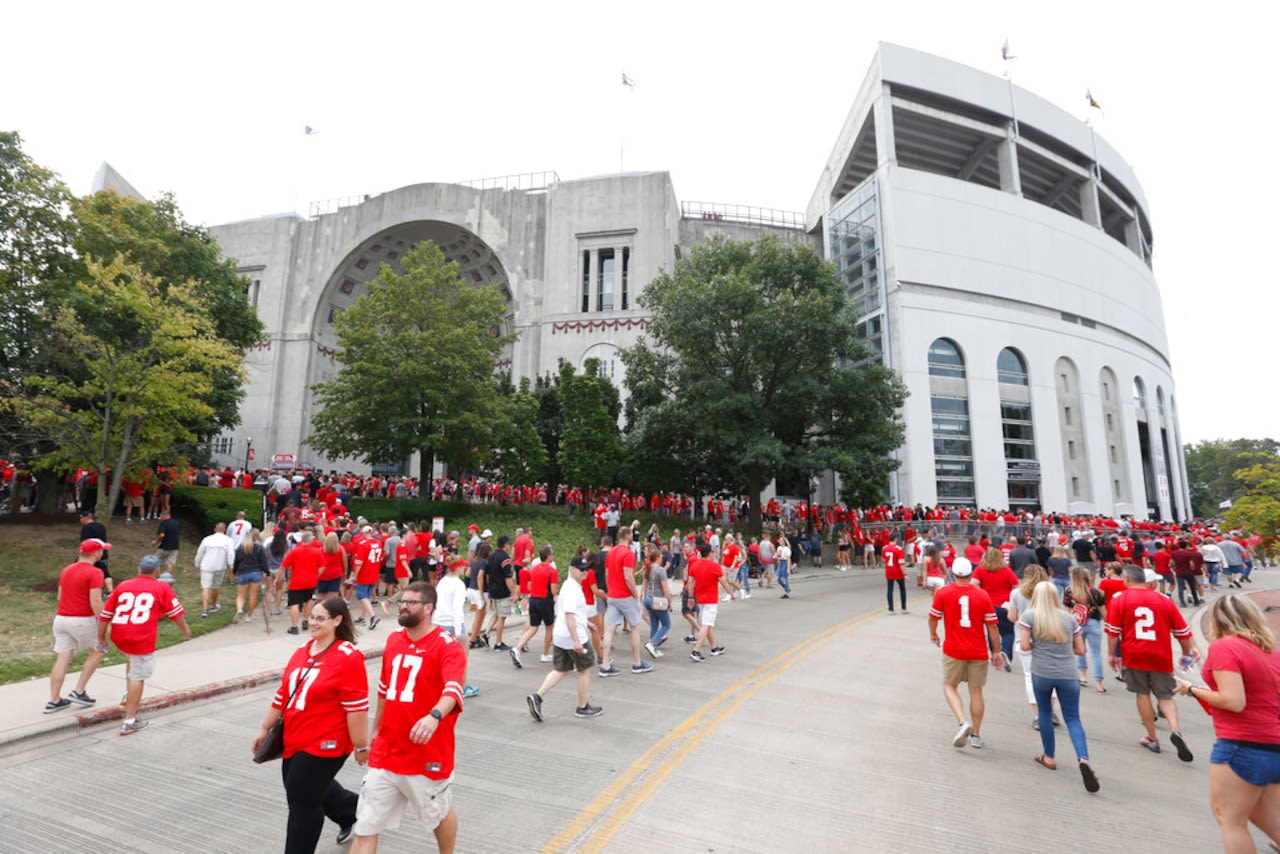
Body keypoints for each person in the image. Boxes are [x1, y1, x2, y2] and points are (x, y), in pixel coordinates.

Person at [350, 582, 465, 854]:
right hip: (387, 751)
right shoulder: (394, 640)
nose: (403, 606)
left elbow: (453, 689)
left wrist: (434, 716)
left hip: (427, 754)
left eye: (411, 602)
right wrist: (375, 731)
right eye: (403, 601)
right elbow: (384, 689)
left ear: (428, 608)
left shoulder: (446, 646)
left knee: (438, 814)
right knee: (365, 825)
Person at [253, 595, 369, 853]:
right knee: (308, 787)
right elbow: (283, 694)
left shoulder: (348, 656)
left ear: (337, 620)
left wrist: (361, 745)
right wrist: (264, 728)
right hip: (295, 737)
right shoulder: (302, 651)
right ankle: (352, 811)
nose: (313, 622)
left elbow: (357, 708)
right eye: (311, 617)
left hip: (327, 741)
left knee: (302, 800)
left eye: (320, 618)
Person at [1174, 595, 1280, 853]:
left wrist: (1192, 690)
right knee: (1262, 817)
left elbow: (1234, 702)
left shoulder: (1226, 647)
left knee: (1230, 819)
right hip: (1273, 745)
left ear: (1219, 620)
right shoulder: (1271, 653)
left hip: (1241, 745)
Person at [1105, 564, 1197, 760]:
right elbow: (1182, 631)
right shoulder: (1163, 600)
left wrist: (1113, 654)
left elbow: (1113, 633)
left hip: (1134, 654)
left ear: (1127, 579)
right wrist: (1186, 652)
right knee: (1165, 696)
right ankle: (1175, 729)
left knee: (1142, 693)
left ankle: (1152, 737)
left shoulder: (1120, 600)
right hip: (1161, 654)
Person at [1019, 581, 1100, 792]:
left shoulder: (1030, 616)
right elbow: (1081, 650)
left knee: (1045, 713)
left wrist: (1040, 646)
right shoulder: (1069, 618)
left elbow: (1025, 646)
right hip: (1068, 673)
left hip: (1042, 672)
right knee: (1073, 718)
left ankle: (1049, 756)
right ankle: (1083, 758)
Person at [98, 555, 192, 735]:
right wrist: (185, 630)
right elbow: (176, 613)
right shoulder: (161, 587)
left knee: (131, 660)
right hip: (140, 638)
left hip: (119, 635)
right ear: (157, 571)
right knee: (138, 676)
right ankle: (129, 721)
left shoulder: (123, 585)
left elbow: (105, 615)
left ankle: (128, 696)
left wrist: (101, 637)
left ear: (138, 569)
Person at [928, 557, 1003, 749]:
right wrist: (996, 651)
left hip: (954, 649)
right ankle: (976, 735)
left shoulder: (944, 592)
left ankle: (962, 721)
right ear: (971, 574)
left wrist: (934, 634)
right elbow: (992, 628)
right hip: (977, 650)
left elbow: (933, 617)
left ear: (953, 573)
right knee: (976, 691)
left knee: (949, 685)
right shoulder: (982, 595)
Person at [526, 556, 603, 721]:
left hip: (561, 636)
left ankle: (537, 697)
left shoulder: (572, 586)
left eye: (586, 569)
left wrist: (587, 623)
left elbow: (575, 613)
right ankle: (582, 707)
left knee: (561, 669)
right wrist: (576, 641)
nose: (585, 572)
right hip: (573, 637)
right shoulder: (571, 589)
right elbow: (569, 616)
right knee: (585, 669)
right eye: (581, 570)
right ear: (572, 570)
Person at [46, 538, 110, 713]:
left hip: (61, 620)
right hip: (82, 620)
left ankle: (54, 699)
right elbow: (96, 602)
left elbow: (60, 597)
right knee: (100, 649)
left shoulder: (66, 569)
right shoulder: (95, 572)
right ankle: (79, 691)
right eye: (102, 550)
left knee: (62, 658)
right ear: (97, 552)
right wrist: (105, 621)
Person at [600, 527, 654, 676]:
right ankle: (637, 663)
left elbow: (607, 574)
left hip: (612, 595)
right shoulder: (628, 553)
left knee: (610, 629)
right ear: (629, 536)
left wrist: (610, 590)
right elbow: (628, 576)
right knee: (635, 627)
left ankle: (605, 664)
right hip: (625, 595)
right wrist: (635, 594)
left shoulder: (610, 553)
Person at [432, 558, 479, 698]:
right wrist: (459, 632)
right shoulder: (458, 584)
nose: (465, 569)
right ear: (458, 567)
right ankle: (462, 688)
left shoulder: (442, 581)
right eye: (463, 567)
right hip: (453, 624)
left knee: (442, 657)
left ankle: (441, 684)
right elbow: (457, 609)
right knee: (462, 658)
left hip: (439, 622)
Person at [511, 544, 558, 668]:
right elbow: (554, 590)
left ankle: (517, 648)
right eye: (552, 554)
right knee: (549, 627)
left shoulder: (534, 569)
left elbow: (530, 587)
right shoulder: (552, 571)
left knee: (533, 627)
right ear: (548, 556)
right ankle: (545, 654)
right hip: (545, 601)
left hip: (533, 600)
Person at [687, 542, 736, 662]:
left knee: (706, 623)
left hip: (700, 598)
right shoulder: (714, 566)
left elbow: (691, 582)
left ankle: (714, 647)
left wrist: (690, 597)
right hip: (711, 599)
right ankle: (696, 650)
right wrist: (731, 593)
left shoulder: (695, 565)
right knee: (706, 624)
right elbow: (724, 582)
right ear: (710, 553)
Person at [1065, 566, 1108, 693]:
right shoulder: (1095, 592)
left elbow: (1066, 611)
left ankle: (1083, 676)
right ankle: (1099, 683)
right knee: (1096, 654)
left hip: (1077, 623)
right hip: (1093, 623)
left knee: (1080, 650)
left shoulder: (1069, 591)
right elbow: (1104, 613)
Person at [973, 547, 1018, 663]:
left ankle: (995, 654)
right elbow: (1015, 586)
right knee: (1008, 632)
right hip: (1004, 605)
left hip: (988, 606)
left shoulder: (980, 570)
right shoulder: (1007, 571)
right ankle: (1006, 652)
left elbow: (974, 586)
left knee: (991, 630)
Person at [282, 531, 324, 635]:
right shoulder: (317, 552)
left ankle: (294, 626)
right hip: (311, 581)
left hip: (296, 581)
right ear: (310, 540)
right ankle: (306, 620)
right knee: (309, 600)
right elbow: (322, 567)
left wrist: (278, 578)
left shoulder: (294, 551)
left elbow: (284, 566)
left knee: (294, 603)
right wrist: (317, 575)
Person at [194, 521, 236, 618]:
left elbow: (200, 553)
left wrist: (197, 564)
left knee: (205, 587)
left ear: (215, 529)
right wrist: (231, 565)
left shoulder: (207, 539)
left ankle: (204, 610)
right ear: (225, 530)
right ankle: (213, 605)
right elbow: (231, 554)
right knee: (216, 586)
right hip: (220, 566)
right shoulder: (228, 540)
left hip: (207, 565)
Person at [642, 544, 673, 658]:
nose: (662, 559)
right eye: (661, 557)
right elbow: (665, 589)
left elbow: (646, 583)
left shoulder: (649, 569)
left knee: (654, 624)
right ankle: (652, 643)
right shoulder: (661, 570)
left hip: (648, 599)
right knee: (666, 625)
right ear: (658, 558)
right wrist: (669, 601)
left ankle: (653, 648)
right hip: (658, 600)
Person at [232, 528, 268, 623]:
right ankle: (249, 616)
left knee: (240, 595)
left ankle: (239, 609)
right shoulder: (260, 547)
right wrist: (267, 572)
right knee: (253, 595)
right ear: (258, 536)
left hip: (243, 572)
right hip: (256, 572)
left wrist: (234, 571)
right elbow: (263, 562)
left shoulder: (241, 547)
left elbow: (236, 561)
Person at [883, 532, 908, 615]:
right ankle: (903, 608)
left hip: (889, 570)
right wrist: (905, 573)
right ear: (896, 539)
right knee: (902, 589)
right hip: (898, 571)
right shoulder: (899, 549)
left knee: (890, 590)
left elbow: (884, 559)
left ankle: (891, 609)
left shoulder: (884, 548)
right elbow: (901, 563)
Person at [775, 534, 793, 599]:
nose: (779, 542)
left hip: (785, 563)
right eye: (779, 541)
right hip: (781, 563)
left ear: (783, 542)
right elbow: (778, 555)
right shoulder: (779, 548)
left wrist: (788, 568)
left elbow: (788, 559)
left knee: (784, 578)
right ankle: (787, 588)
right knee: (778, 578)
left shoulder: (787, 549)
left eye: (780, 541)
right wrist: (777, 560)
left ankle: (786, 593)